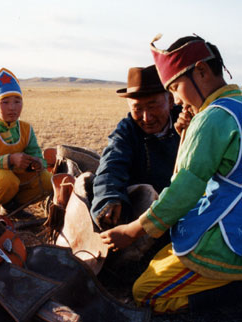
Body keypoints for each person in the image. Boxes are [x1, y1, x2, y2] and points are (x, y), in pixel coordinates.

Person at [100, 35, 242, 314]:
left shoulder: (211, 117)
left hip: (226, 240)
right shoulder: (235, 106)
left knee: (145, 293)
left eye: (175, 88)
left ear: (201, 71)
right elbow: (113, 161)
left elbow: (184, 187)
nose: (177, 98)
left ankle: (233, 296)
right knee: (163, 258)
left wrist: (132, 230)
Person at [91, 65, 181, 231]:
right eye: (137, 109)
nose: (146, 117)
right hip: (145, 213)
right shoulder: (127, 131)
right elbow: (111, 164)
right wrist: (109, 198)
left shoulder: (188, 120)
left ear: (170, 100)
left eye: (152, 106)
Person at [0, 68, 52, 209]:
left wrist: (36, 163)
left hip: (11, 182)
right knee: (7, 180)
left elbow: (37, 155)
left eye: (17, 101)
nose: (12, 108)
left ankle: (13, 208)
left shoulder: (26, 129)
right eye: (4, 102)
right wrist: (10, 159)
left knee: (47, 180)